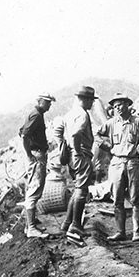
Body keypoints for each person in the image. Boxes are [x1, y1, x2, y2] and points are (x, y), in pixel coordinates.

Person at [97, 93, 139, 242]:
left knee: (134, 198)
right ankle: (120, 231)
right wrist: (108, 147)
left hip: (133, 163)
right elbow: (97, 136)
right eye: (114, 106)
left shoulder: (138, 121)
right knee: (117, 199)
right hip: (116, 163)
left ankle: (136, 232)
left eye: (120, 104)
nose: (117, 108)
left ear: (128, 105)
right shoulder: (111, 123)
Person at [62, 86, 98, 244]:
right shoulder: (83, 115)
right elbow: (76, 133)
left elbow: (61, 132)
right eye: (91, 100)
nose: (92, 104)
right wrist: (78, 151)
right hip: (81, 155)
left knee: (77, 188)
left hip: (71, 155)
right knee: (82, 191)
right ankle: (75, 226)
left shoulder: (70, 114)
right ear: (86, 99)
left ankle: (67, 223)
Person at [19, 93, 56, 238]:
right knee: (35, 189)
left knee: (32, 187)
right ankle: (32, 228)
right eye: (47, 102)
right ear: (40, 101)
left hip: (37, 152)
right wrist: (29, 154)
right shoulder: (36, 115)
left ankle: (30, 224)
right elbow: (24, 135)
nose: (49, 105)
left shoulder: (36, 114)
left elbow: (21, 130)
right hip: (36, 154)